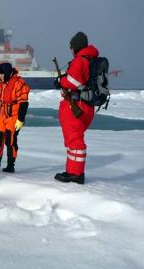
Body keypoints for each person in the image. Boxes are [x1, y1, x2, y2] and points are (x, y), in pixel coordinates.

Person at [53, 32, 100, 184]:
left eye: (71, 47)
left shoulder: (80, 61)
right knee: (74, 140)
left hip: (77, 106)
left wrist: (61, 82)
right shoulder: (91, 59)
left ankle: (75, 174)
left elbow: (73, 81)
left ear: (75, 47)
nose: (70, 50)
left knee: (75, 141)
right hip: (86, 107)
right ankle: (72, 171)